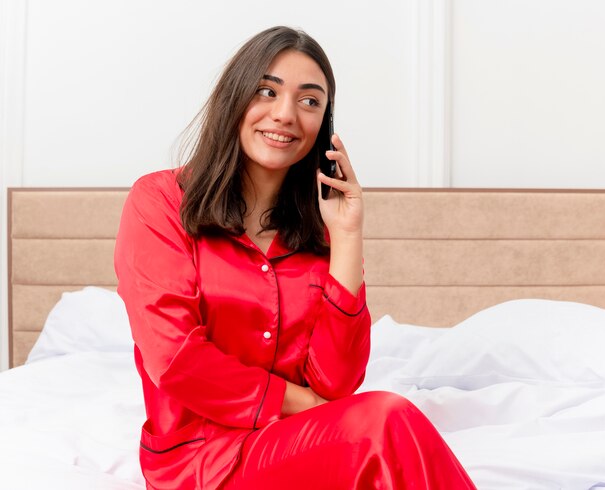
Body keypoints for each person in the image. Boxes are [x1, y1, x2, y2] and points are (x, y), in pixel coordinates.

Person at [115, 26, 475, 489]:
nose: (285, 115)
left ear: (322, 125)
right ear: (235, 98)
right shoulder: (161, 201)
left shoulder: (319, 231)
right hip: (202, 462)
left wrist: (346, 235)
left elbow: (337, 384)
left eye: (309, 102)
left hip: (301, 448)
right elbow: (174, 359)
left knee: (383, 426)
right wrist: (304, 405)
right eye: (267, 91)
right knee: (385, 420)